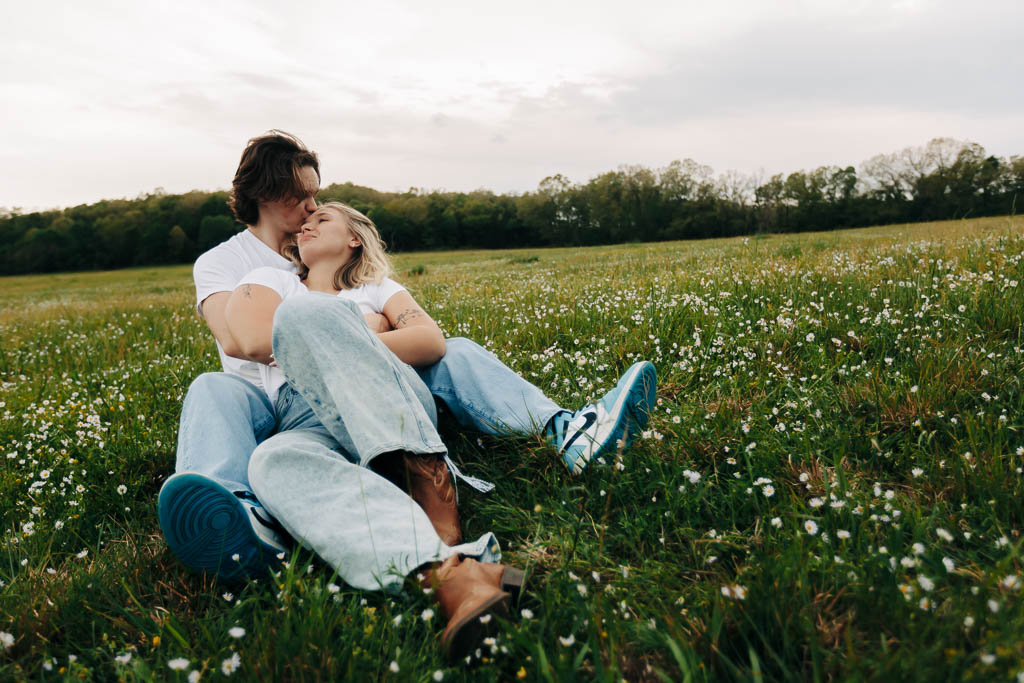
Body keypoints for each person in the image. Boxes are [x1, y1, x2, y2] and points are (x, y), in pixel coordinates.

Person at [158, 130, 657, 582]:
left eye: (318, 201)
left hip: (376, 390)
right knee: (218, 393)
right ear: (266, 194)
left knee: (453, 352)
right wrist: (347, 328)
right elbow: (239, 340)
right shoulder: (241, 267)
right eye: (302, 197)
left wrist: (352, 330)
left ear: (352, 240)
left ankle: (564, 431)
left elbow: (428, 339)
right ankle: (238, 512)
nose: (312, 208)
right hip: (272, 404)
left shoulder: (365, 285)